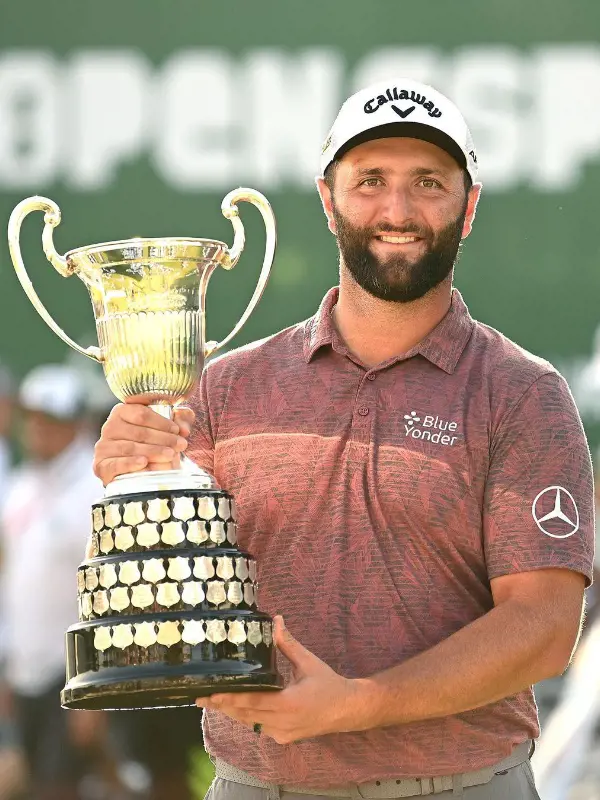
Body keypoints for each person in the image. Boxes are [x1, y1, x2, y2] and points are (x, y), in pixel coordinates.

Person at [93, 79, 595, 799]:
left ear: (470, 205)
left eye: (428, 182)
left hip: (460, 786)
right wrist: (132, 484)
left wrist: (359, 703)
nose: (397, 210)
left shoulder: (521, 392)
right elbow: (160, 596)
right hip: (255, 784)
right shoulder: (228, 387)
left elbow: (545, 625)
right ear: (328, 199)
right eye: (370, 182)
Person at [0, 364, 108, 800]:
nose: (39, 429)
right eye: (34, 417)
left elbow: (107, 593)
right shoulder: (21, 486)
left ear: (77, 424)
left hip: (73, 674)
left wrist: (96, 686)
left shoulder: (94, 489)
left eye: (52, 419)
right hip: (24, 669)